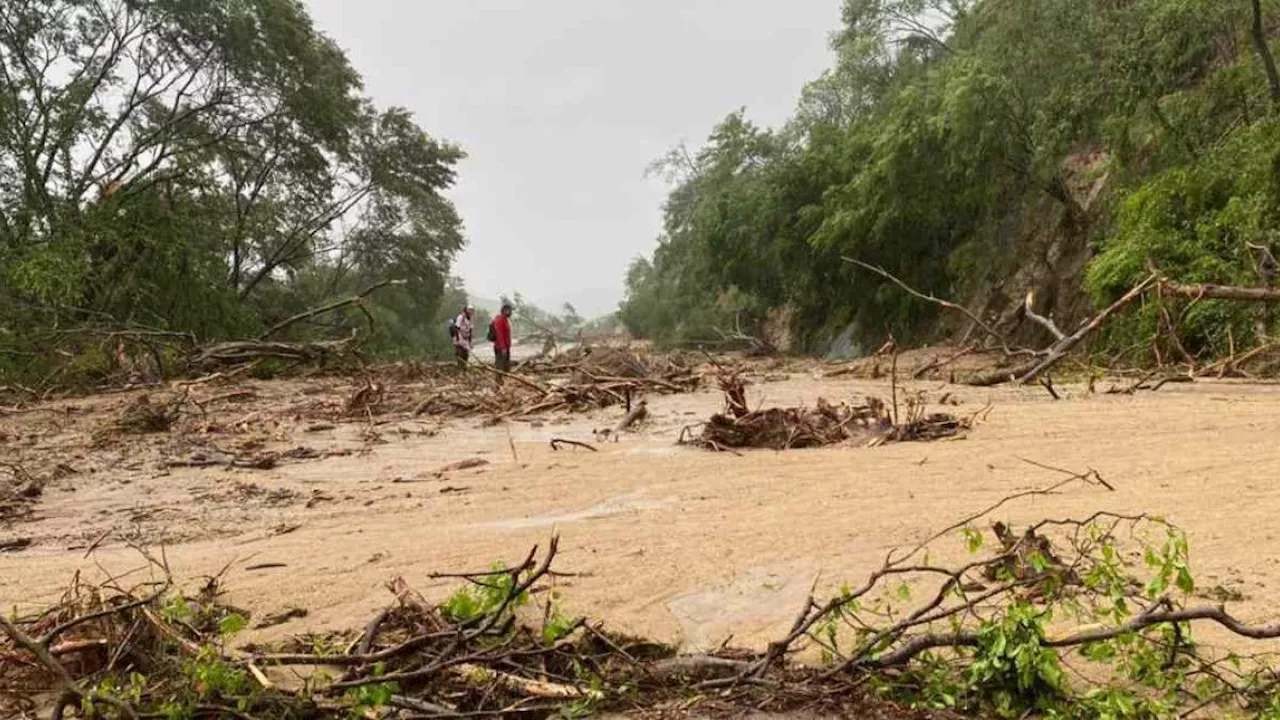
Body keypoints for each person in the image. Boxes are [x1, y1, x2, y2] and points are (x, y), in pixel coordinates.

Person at [492, 301, 514, 378]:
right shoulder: (500, 320)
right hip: (501, 348)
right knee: (500, 366)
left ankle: (505, 383)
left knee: (506, 366)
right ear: (505, 310)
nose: (511, 312)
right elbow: (499, 335)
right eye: (510, 310)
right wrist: (503, 348)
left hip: (505, 347)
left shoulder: (505, 319)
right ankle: (498, 384)